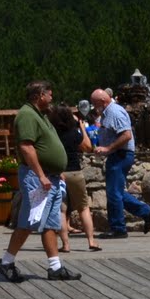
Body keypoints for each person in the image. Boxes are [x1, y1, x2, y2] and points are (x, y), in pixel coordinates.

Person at [0, 80, 80, 283]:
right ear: (40, 95)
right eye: (49, 94)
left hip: (51, 177)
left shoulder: (40, 115)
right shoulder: (27, 115)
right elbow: (26, 147)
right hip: (38, 178)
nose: (51, 98)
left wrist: (56, 171)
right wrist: (41, 175)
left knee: (50, 224)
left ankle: (55, 267)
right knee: (29, 222)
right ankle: (6, 262)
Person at [90, 88, 150, 239]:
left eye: (94, 103)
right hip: (118, 155)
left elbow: (126, 135)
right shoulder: (108, 113)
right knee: (117, 192)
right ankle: (147, 212)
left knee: (114, 193)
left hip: (120, 155)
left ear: (102, 101)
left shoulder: (114, 112)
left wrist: (108, 148)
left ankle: (118, 228)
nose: (93, 107)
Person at [49, 104, 102, 253]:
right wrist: (82, 128)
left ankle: (65, 245)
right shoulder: (73, 132)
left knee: (61, 210)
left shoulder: (52, 133)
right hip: (75, 172)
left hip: (59, 173)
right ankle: (91, 241)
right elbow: (88, 147)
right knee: (83, 207)